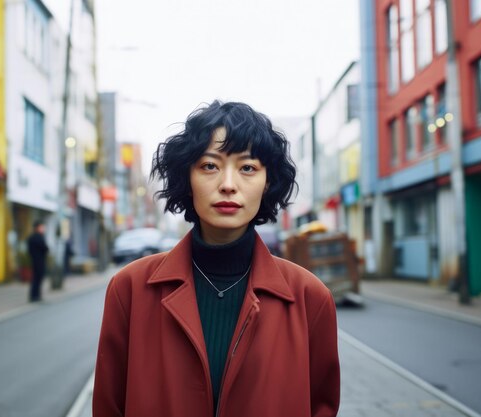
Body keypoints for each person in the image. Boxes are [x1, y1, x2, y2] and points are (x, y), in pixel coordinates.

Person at [93, 101, 340, 417]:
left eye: (247, 168)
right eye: (209, 166)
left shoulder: (309, 297)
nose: (227, 184)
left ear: (268, 183)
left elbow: (322, 406)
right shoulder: (130, 289)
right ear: (187, 177)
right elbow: (108, 406)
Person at [27, 220, 49, 302]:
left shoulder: (31, 238)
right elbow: (45, 248)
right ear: (37, 228)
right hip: (39, 261)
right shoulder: (38, 238)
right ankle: (35, 295)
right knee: (38, 278)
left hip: (34, 260)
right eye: (41, 227)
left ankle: (35, 295)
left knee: (36, 278)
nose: (43, 229)